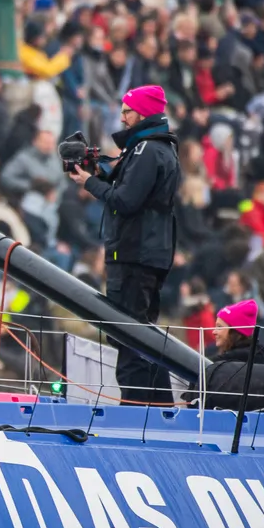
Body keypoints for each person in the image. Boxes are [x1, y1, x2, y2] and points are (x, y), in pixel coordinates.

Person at [67, 84, 179, 404]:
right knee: (144, 337)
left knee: (128, 338)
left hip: (134, 255)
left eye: (128, 111)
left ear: (143, 113)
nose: (122, 117)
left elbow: (125, 201)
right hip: (147, 254)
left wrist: (89, 182)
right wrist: (102, 171)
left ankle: (134, 411)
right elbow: (131, 188)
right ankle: (160, 408)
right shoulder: (156, 148)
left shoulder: (146, 150)